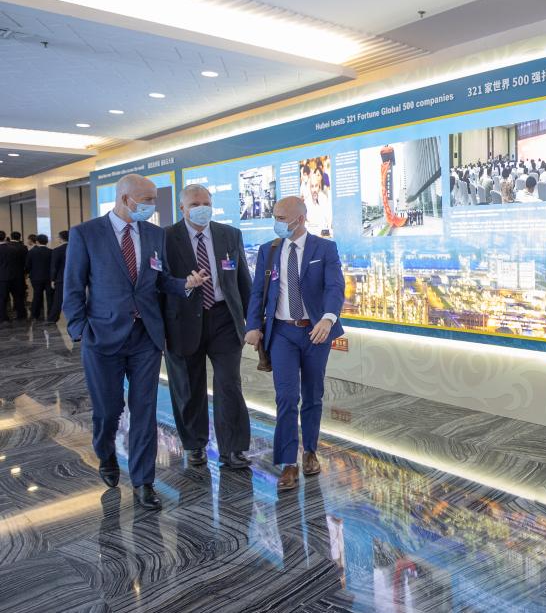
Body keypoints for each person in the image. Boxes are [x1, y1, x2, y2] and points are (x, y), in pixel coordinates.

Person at [64, 174, 209, 510]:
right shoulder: (86, 234)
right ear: (125, 198)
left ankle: (144, 481)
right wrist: (80, 330)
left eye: (153, 200)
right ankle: (105, 453)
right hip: (102, 337)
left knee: (144, 410)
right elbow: (72, 287)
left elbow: (161, 280)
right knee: (108, 410)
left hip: (146, 336)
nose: (151, 206)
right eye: (146, 200)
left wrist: (185, 284)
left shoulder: (154, 234)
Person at [245, 196, 344, 492]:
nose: (276, 222)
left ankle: (310, 451)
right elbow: (258, 292)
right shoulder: (269, 250)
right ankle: (288, 462)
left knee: (312, 395)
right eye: (274, 216)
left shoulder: (324, 248)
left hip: (315, 332)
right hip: (282, 334)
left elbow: (335, 286)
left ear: (299, 219)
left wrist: (327, 319)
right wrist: (253, 326)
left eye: (280, 217)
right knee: (286, 397)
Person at [163, 184, 253, 470]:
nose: (202, 208)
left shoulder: (229, 235)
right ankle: (194, 444)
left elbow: (242, 280)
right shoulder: (166, 238)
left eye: (206, 203)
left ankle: (233, 448)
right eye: (194, 204)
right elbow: (159, 283)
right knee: (188, 387)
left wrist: (253, 321)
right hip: (182, 321)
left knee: (229, 384)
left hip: (224, 318)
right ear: (182, 208)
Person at [0, 231, 28, 322]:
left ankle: (3, 317)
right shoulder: (14, 249)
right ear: (5, 237)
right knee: (18, 297)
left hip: (2, 278)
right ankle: (21, 314)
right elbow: (21, 262)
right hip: (16, 276)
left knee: (2, 298)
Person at [25, 233, 52, 320]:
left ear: (37, 241)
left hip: (36, 277)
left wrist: (27, 274)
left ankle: (35, 315)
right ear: (47, 241)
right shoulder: (51, 252)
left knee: (37, 296)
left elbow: (28, 265)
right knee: (50, 297)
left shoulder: (31, 252)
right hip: (49, 277)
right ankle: (50, 315)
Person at [47, 231, 68, 323]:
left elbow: (54, 267)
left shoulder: (57, 250)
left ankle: (52, 318)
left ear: (61, 239)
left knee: (58, 300)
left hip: (61, 278)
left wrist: (52, 279)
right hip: (75, 278)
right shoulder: (76, 248)